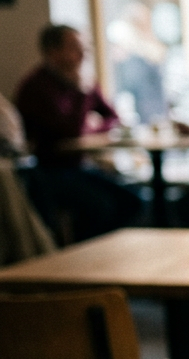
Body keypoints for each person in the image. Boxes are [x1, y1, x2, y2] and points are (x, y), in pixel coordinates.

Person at [13, 25, 141, 241]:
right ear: (52, 52)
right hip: (49, 171)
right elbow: (70, 131)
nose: (83, 54)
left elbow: (112, 117)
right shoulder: (36, 87)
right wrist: (81, 93)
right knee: (101, 208)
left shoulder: (82, 82)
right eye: (74, 47)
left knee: (134, 201)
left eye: (84, 47)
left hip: (80, 166)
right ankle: (85, 260)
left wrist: (91, 127)